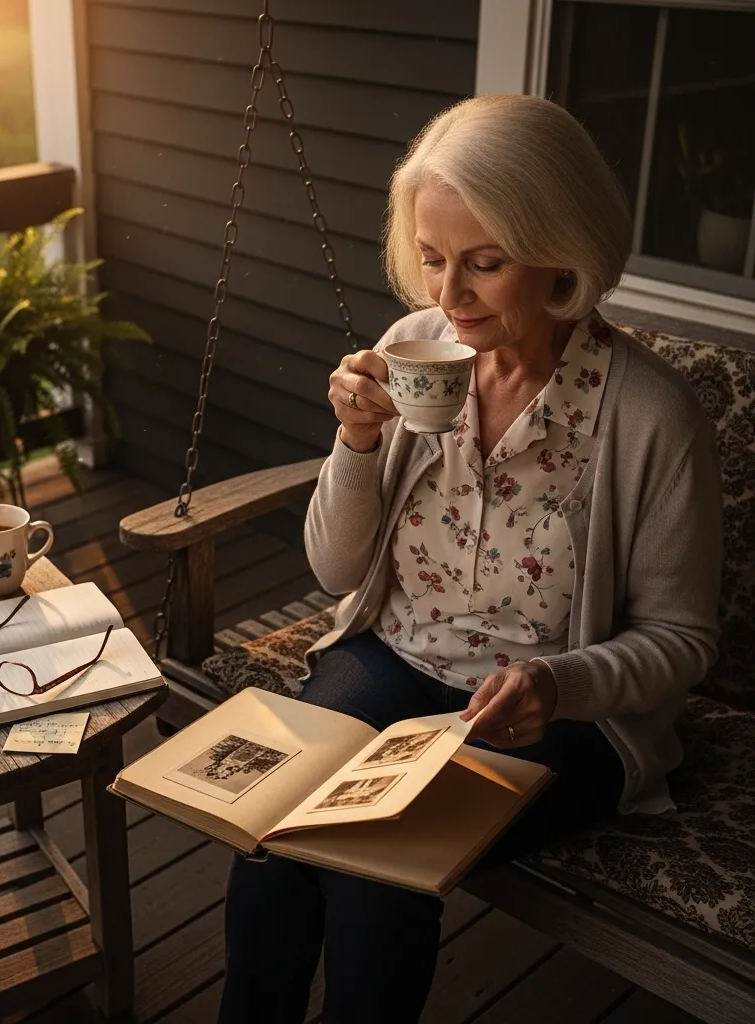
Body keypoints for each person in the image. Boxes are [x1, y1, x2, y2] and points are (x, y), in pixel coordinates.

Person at [217, 94, 722, 1023]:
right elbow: (336, 575)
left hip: (553, 718)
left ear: (562, 250)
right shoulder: (414, 352)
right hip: (392, 657)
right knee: (274, 828)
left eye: (484, 264)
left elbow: (684, 639)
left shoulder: (651, 418)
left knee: (375, 867)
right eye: (434, 259)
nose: (448, 298)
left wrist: (556, 684)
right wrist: (355, 445)